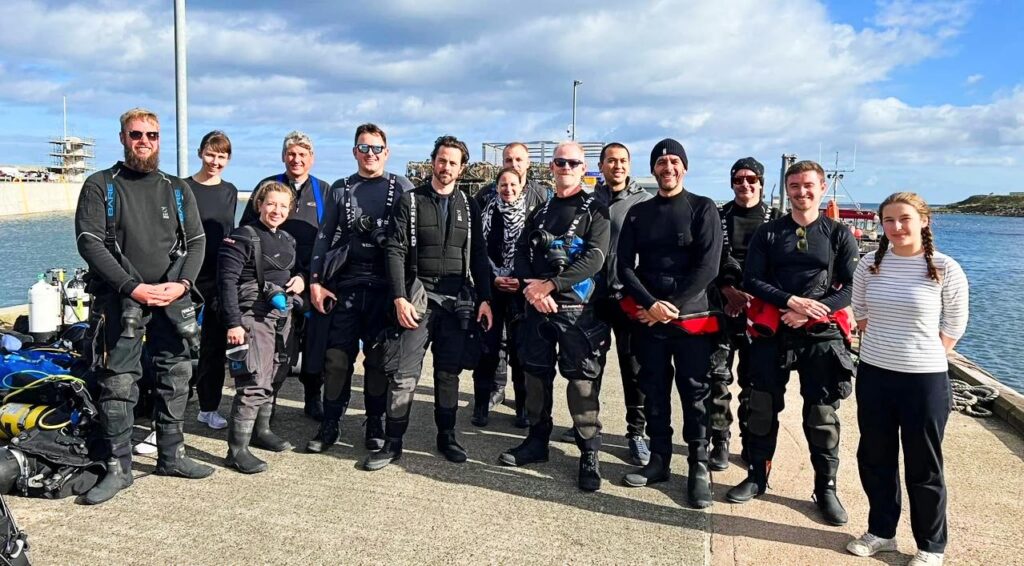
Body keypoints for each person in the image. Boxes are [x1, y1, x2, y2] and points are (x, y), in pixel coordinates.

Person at [75, 107, 213, 505]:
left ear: (159, 140)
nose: (144, 142)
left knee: (177, 374)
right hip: (120, 300)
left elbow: (198, 240)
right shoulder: (102, 185)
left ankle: (172, 455)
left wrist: (182, 283)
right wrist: (132, 287)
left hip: (173, 298)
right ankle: (119, 468)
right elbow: (89, 240)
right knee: (118, 382)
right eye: (136, 134)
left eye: (152, 135)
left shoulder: (176, 188)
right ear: (122, 138)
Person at [725, 160, 859, 527]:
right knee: (762, 407)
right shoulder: (769, 234)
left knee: (821, 415)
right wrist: (790, 302)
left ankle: (826, 487)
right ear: (787, 189)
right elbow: (751, 280)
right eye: (795, 186)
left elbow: (851, 286)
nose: (802, 192)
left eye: (809, 185)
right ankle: (756, 475)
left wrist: (813, 311)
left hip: (821, 334)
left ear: (823, 188)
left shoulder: (837, 234)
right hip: (774, 332)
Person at [846, 192, 968, 566]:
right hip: (875, 374)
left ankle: (931, 545)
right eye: (888, 220)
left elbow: (954, 326)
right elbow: (861, 312)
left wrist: (921, 353)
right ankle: (882, 531)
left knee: (924, 465)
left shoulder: (946, 268)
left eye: (905, 219)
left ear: (924, 221)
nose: (896, 227)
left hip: (924, 381)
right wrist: (888, 346)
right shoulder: (869, 264)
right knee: (875, 456)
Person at [365, 135, 493, 471]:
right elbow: (394, 250)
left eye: (453, 162)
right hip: (418, 297)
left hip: (456, 301)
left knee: (448, 373)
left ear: (461, 168)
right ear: (432, 162)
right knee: (404, 375)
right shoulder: (410, 201)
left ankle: (447, 436)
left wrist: (485, 300)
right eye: (441, 160)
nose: (445, 167)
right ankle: (393, 443)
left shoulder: (470, 205)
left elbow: (479, 257)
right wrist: (399, 297)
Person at [498, 141, 611, 493]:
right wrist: (532, 288)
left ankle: (589, 452)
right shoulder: (542, 209)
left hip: (578, 313)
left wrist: (550, 285)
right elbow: (521, 249)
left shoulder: (597, 209)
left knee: (581, 384)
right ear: (551, 167)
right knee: (535, 377)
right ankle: (536, 440)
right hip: (538, 309)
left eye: (573, 162)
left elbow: (595, 258)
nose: (565, 167)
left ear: (583, 168)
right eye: (560, 162)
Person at [616, 139, 723, 508]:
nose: (668, 167)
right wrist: (650, 305)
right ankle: (659, 460)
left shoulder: (703, 208)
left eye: (674, 161)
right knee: (654, 390)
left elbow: (709, 267)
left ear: (685, 167)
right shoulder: (639, 212)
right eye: (661, 162)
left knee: (695, 394)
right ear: (654, 169)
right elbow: (624, 266)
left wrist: (670, 306)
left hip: (691, 318)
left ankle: (698, 466)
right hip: (649, 317)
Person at [306, 123, 413, 453]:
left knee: (379, 360)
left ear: (387, 152)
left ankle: (375, 421)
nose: (370, 154)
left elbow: (413, 241)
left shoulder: (403, 187)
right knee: (337, 358)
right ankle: (331, 422)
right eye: (363, 148)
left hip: (386, 288)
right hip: (347, 287)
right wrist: (315, 282)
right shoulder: (340, 189)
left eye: (376, 148)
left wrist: (407, 292)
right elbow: (323, 237)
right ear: (355, 152)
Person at [241, 131, 331, 421]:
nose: (297, 160)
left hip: (311, 278)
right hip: (271, 279)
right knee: (278, 344)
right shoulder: (267, 187)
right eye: (292, 154)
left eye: (303, 155)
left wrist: (310, 278)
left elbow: (332, 238)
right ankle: (269, 399)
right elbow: (246, 232)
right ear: (284, 156)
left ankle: (312, 394)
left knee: (315, 342)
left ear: (312, 159)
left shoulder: (325, 191)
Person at [219, 182, 305, 473]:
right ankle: (237, 449)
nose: (277, 210)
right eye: (271, 204)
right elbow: (226, 282)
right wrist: (233, 323)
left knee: (276, 373)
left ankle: (262, 431)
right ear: (259, 204)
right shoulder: (243, 237)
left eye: (283, 206)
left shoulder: (288, 239)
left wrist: (302, 279)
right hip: (252, 315)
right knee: (254, 379)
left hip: (281, 314)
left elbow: (295, 270)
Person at [708, 157, 781, 469]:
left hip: (759, 313)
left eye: (752, 179)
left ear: (761, 184)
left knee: (754, 384)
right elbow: (705, 259)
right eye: (738, 180)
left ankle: (751, 443)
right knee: (717, 380)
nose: (745, 185)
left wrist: (754, 296)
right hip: (721, 307)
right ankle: (719, 439)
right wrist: (728, 291)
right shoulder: (717, 216)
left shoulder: (777, 220)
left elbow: (784, 267)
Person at [592, 142, 653, 466]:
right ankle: (588, 425)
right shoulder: (590, 201)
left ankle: (636, 434)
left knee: (634, 371)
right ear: (601, 166)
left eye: (623, 161)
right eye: (611, 161)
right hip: (595, 299)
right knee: (591, 367)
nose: (617, 166)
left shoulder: (643, 202)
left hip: (630, 298)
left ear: (629, 165)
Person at [471, 165, 546, 428]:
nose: (508, 189)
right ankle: (481, 405)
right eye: (503, 184)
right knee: (487, 350)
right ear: (496, 186)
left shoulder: (532, 215)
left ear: (521, 186)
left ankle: (522, 408)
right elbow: (477, 252)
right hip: (492, 289)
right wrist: (492, 279)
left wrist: (521, 280)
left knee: (520, 351)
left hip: (521, 291)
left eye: (513, 185)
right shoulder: (485, 211)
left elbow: (536, 254)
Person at [186, 130, 238, 431]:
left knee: (214, 348)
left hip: (218, 276)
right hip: (187, 276)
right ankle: (169, 407)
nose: (215, 161)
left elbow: (230, 232)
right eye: (210, 154)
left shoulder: (230, 191)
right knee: (176, 348)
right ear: (200, 153)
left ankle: (208, 407)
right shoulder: (183, 187)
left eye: (221, 156)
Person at [473, 142, 551, 209]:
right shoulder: (486, 194)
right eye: (509, 160)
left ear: (527, 163)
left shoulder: (542, 195)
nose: (513, 164)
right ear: (503, 164)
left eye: (518, 160)